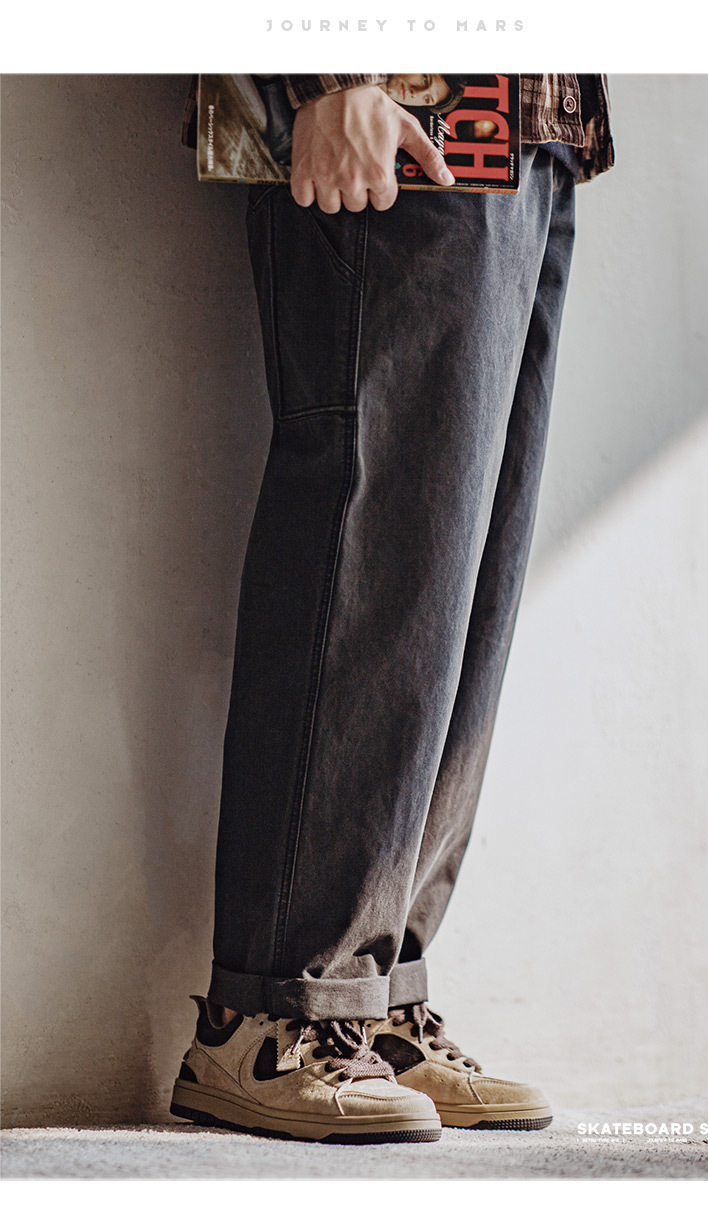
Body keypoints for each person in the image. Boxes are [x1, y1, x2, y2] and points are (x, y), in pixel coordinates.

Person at [172, 73, 614, 1144]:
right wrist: (329, 78)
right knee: (372, 562)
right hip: (409, 97)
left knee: (460, 595)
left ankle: (374, 1002)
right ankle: (274, 1016)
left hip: (531, 127)